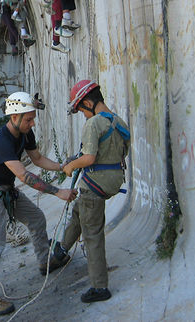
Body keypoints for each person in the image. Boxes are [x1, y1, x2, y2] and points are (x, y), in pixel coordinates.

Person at [0, 91, 78, 316]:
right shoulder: (0, 140)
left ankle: (44, 262)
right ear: (14, 117)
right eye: (29, 119)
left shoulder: (25, 133)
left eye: (33, 118)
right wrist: (58, 191)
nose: (32, 123)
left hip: (7, 192)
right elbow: (25, 176)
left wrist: (62, 167)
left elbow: (38, 159)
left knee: (36, 218)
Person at [55, 80, 131, 303]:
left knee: (92, 234)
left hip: (93, 186)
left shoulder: (93, 124)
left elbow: (88, 158)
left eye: (81, 110)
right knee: (80, 213)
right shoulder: (119, 121)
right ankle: (61, 250)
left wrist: (70, 166)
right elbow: (121, 152)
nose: (82, 115)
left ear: (88, 102)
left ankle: (99, 287)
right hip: (113, 180)